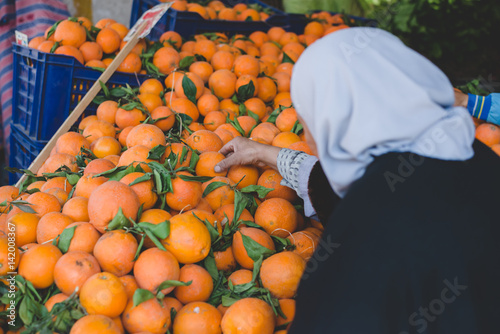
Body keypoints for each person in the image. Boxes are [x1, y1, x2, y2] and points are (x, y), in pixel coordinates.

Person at [214, 27, 500, 333]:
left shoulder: (363, 235)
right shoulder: (476, 156)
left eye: (309, 120)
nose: (308, 137)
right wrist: (263, 153)